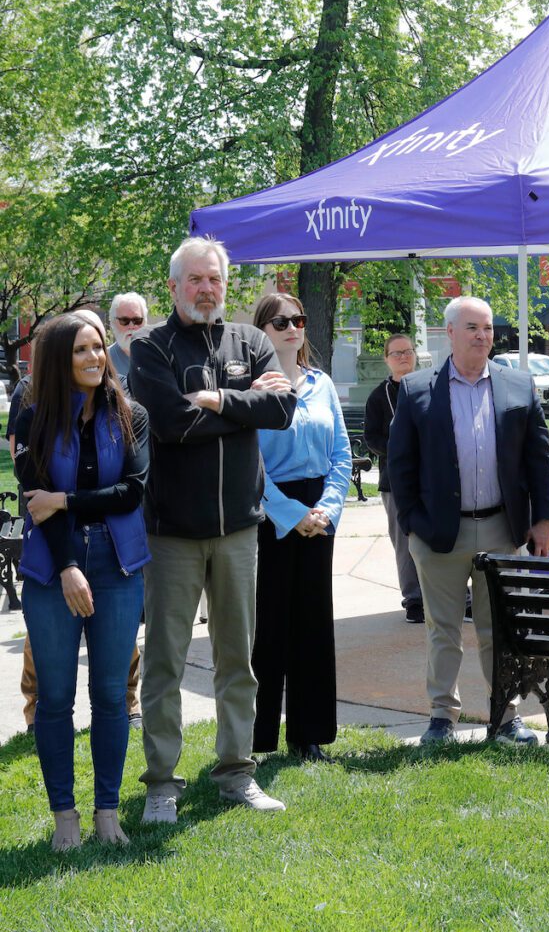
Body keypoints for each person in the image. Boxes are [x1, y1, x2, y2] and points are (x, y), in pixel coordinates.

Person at [130, 236, 296, 823]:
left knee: (237, 660)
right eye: (195, 279)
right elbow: (170, 423)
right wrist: (243, 400)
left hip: (238, 533)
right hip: (171, 533)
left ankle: (235, 773)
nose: (206, 289)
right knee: (167, 663)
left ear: (227, 285)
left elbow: (282, 411)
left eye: (215, 279)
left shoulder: (250, 340)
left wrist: (216, 400)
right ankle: (160, 786)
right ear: (173, 286)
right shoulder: (149, 347)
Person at [388, 296, 549, 745]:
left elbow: (539, 461)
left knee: (497, 630)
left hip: (502, 528)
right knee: (442, 630)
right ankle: (442, 717)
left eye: (487, 328)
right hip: (438, 532)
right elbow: (400, 466)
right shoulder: (416, 389)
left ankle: (505, 717)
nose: (483, 336)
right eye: (472, 328)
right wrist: (412, 524)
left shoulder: (519, 386)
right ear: (449, 333)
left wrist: (544, 518)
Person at [15, 312, 150, 849]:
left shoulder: (130, 413)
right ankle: (65, 816)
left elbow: (132, 491)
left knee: (112, 696)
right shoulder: (32, 422)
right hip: (52, 568)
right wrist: (69, 565)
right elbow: (36, 506)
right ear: (57, 360)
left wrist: (67, 500)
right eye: (81, 351)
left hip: (118, 567)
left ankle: (108, 812)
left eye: (98, 348)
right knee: (54, 698)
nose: (96, 358)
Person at [251, 292, 351, 762]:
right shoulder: (256, 390)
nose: (292, 327)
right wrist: (293, 516)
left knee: (313, 623)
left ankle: (308, 735)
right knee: (271, 625)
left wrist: (327, 510)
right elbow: (250, 465)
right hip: (273, 514)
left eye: (298, 319)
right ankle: (258, 736)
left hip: (320, 515)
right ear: (262, 331)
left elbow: (342, 456)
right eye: (280, 321)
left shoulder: (322, 383)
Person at [364, 333, 424, 623]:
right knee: (404, 542)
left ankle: (455, 596)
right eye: (396, 353)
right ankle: (414, 600)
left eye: (408, 352)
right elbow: (372, 438)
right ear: (386, 359)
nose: (403, 357)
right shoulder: (379, 396)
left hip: (432, 479)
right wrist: (400, 450)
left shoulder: (430, 388)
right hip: (395, 481)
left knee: (441, 537)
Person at [107, 293, 149, 379]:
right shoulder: (104, 360)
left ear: (145, 322)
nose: (131, 326)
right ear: (113, 323)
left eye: (137, 320)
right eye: (124, 320)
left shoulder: (160, 355)